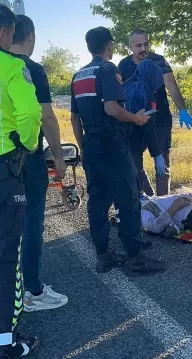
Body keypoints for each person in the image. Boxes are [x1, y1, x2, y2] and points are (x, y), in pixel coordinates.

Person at [69, 26, 165, 275]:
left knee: (98, 202)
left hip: (90, 144)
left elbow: (74, 118)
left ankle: (103, 256)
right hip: (112, 143)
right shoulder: (108, 69)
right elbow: (112, 108)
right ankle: (135, 258)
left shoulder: (78, 75)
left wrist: (84, 146)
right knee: (129, 199)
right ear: (109, 45)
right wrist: (135, 118)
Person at [10, 14, 68, 312]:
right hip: (26, 157)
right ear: (30, 37)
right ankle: (32, 289)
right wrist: (58, 156)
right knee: (32, 221)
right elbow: (45, 116)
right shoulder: (30, 69)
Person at [0, 6, 42, 357]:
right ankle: (7, 341)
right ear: (6, 32)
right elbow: (31, 113)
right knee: (6, 257)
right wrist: (26, 145)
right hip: (4, 169)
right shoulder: (13, 66)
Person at [118, 29, 192, 196]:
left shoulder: (158, 61)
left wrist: (182, 110)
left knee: (161, 162)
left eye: (146, 44)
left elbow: (172, 86)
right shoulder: (123, 65)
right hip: (134, 120)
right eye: (138, 45)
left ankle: (163, 204)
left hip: (159, 119)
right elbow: (120, 93)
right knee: (134, 162)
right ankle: (148, 200)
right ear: (130, 46)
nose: (143, 48)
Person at [122, 58, 166, 196]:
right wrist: (157, 155)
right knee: (136, 190)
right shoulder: (146, 95)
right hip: (134, 145)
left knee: (124, 188)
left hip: (118, 144)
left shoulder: (125, 87)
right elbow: (148, 128)